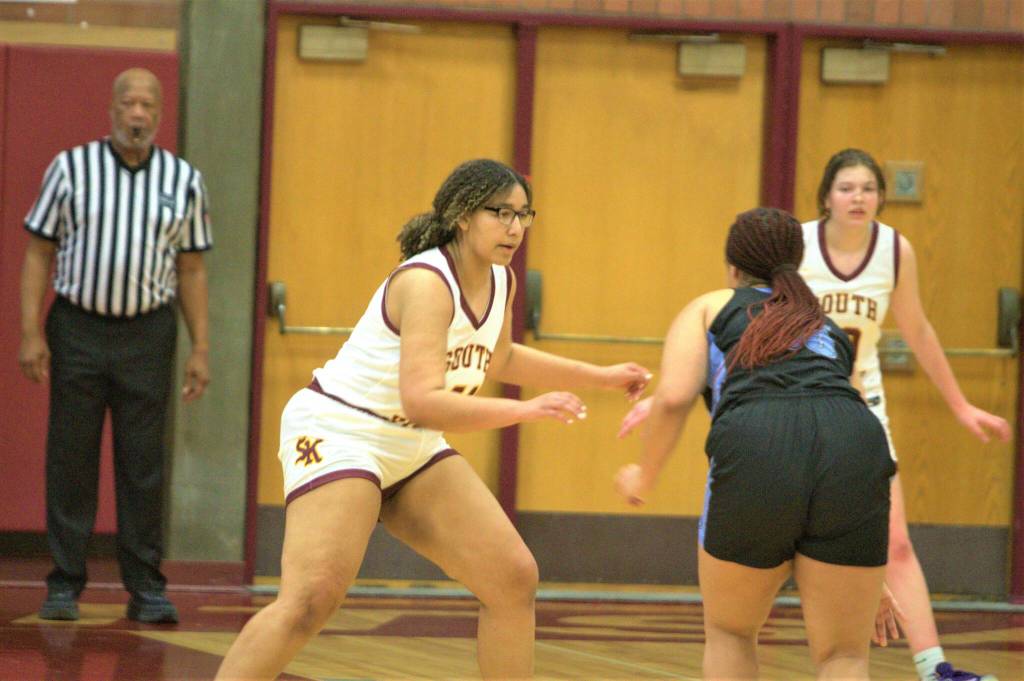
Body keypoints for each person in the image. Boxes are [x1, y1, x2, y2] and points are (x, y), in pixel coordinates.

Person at [214, 159, 652, 681]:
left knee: (513, 578)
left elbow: (501, 357)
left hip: (410, 443)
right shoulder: (425, 282)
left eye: (523, 215)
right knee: (311, 598)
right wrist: (524, 410)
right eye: (500, 213)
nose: (514, 227)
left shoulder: (501, 280)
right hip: (342, 430)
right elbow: (423, 400)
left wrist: (603, 377)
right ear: (463, 215)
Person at [615, 207, 898, 680]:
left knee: (731, 632)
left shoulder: (711, 306)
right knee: (845, 654)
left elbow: (674, 397)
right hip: (855, 445)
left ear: (733, 268)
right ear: (796, 263)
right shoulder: (826, 326)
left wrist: (643, 476)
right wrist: (866, 572)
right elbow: (847, 414)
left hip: (761, 441)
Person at [799, 148, 1009, 681]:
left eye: (869, 188)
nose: (858, 197)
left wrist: (960, 404)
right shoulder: (799, 245)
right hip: (802, 407)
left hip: (864, 410)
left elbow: (917, 329)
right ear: (826, 197)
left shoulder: (895, 249)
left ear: (881, 198)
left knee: (895, 541)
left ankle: (935, 667)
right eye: (847, 188)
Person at [19, 68, 212, 624]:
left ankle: (146, 587)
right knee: (71, 458)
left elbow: (192, 268)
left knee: (143, 463)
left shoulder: (183, 180)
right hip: (77, 327)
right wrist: (31, 331)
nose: (138, 114)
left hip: (148, 332)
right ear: (111, 109)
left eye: (148, 105)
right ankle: (64, 584)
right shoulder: (70, 169)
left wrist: (201, 347)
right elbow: (38, 253)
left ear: (160, 114)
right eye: (128, 103)